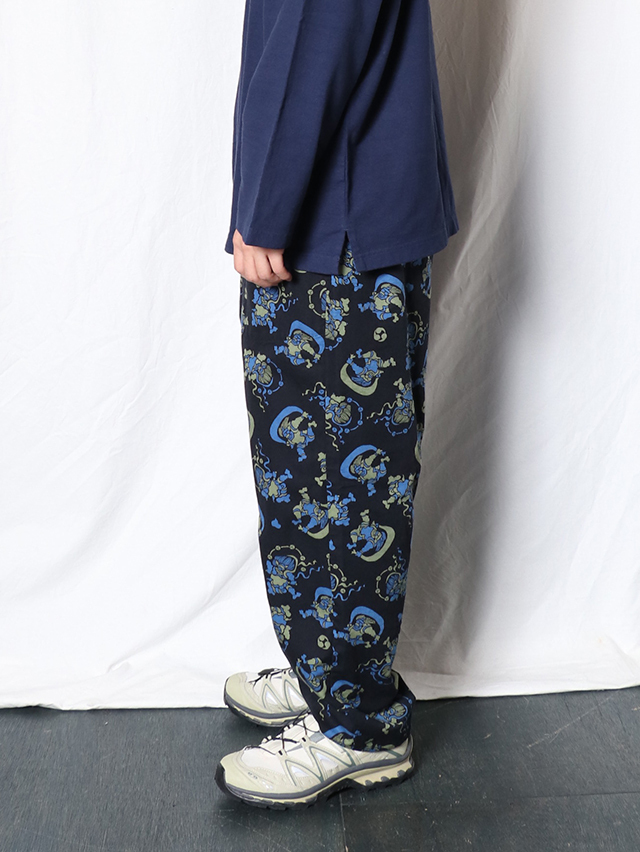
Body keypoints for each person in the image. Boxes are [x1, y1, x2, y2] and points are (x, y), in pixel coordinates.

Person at [215, 0, 458, 810]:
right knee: (315, 478)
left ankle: (359, 721)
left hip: (333, 224)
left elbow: (315, 36)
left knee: (337, 489)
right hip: (348, 210)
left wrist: (266, 208)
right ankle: (328, 672)